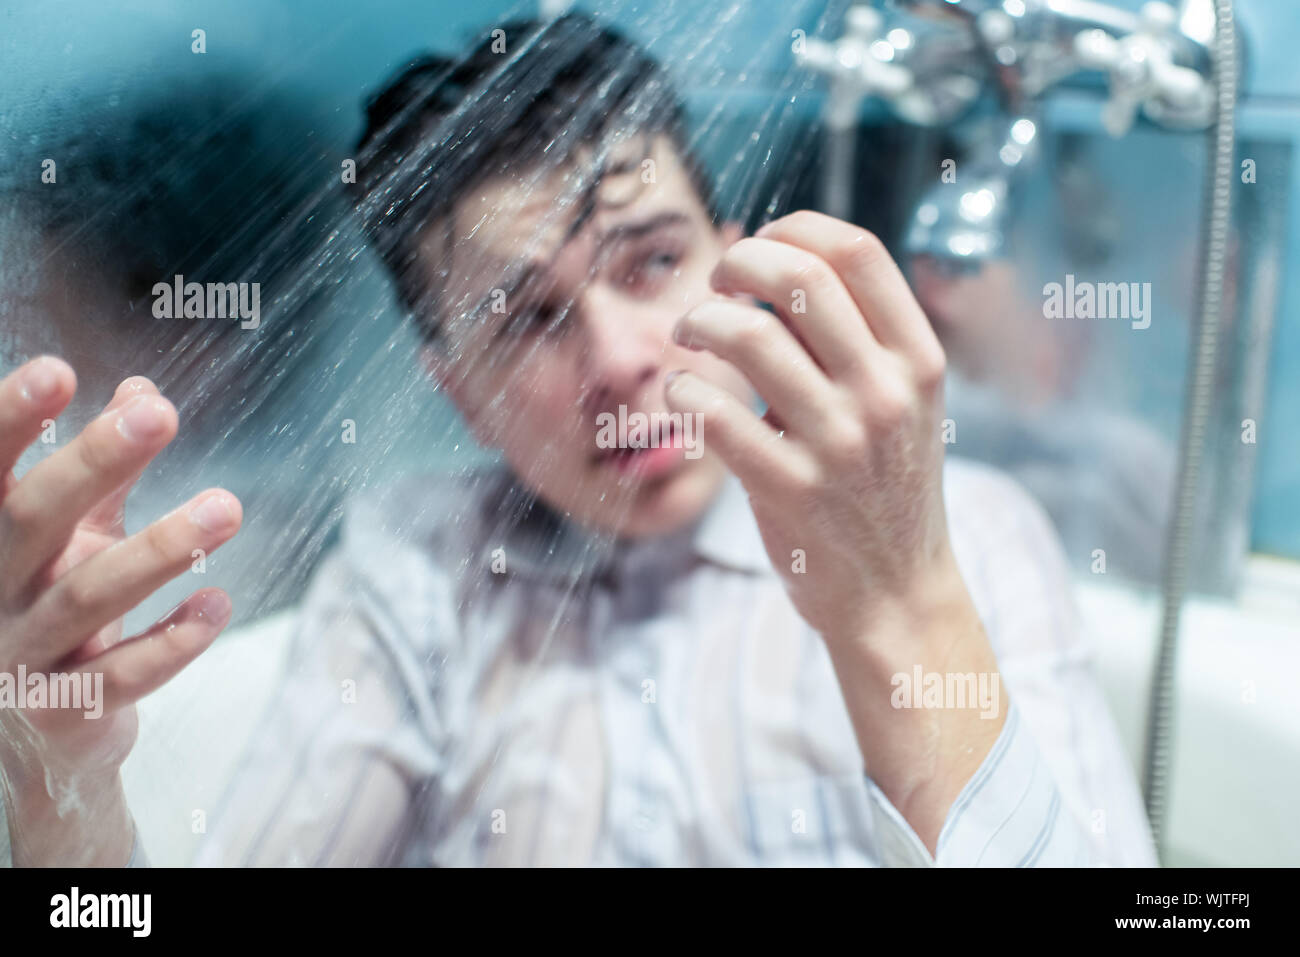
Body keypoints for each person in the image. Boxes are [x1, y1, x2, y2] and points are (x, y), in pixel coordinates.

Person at [0, 13, 1155, 866]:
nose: (618, 358)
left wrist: (900, 609)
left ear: (738, 265)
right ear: (457, 396)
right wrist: (61, 789)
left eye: (654, 263)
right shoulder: (419, 575)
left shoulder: (963, 539)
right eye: (530, 316)